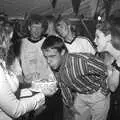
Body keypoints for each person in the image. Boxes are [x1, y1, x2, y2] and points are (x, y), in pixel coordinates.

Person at [41, 35, 110, 120]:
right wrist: (69, 104)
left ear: (62, 52)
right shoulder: (55, 65)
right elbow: (63, 85)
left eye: (52, 56)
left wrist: (104, 91)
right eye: (46, 57)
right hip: (81, 95)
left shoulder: (82, 61)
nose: (48, 61)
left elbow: (104, 69)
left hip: (98, 94)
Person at [18, 14, 62, 120]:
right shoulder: (20, 43)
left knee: (46, 116)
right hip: (28, 87)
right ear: (29, 27)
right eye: (34, 26)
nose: (37, 30)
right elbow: (16, 66)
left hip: (47, 88)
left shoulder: (48, 42)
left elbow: (58, 61)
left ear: (43, 29)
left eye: (40, 27)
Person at [0, 23, 45, 120]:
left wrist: (33, 90)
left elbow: (9, 93)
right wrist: (40, 97)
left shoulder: (2, 63)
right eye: (9, 40)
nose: (11, 43)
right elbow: (15, 110)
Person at [55, 16, 96, 120]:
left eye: (62, 27)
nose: (60, 30)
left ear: (69, 26)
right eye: (58, 29)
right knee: (70, 117)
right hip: (70, 89)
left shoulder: (84, 41)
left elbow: (96, 61)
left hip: (88, 88)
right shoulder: (60, 46)